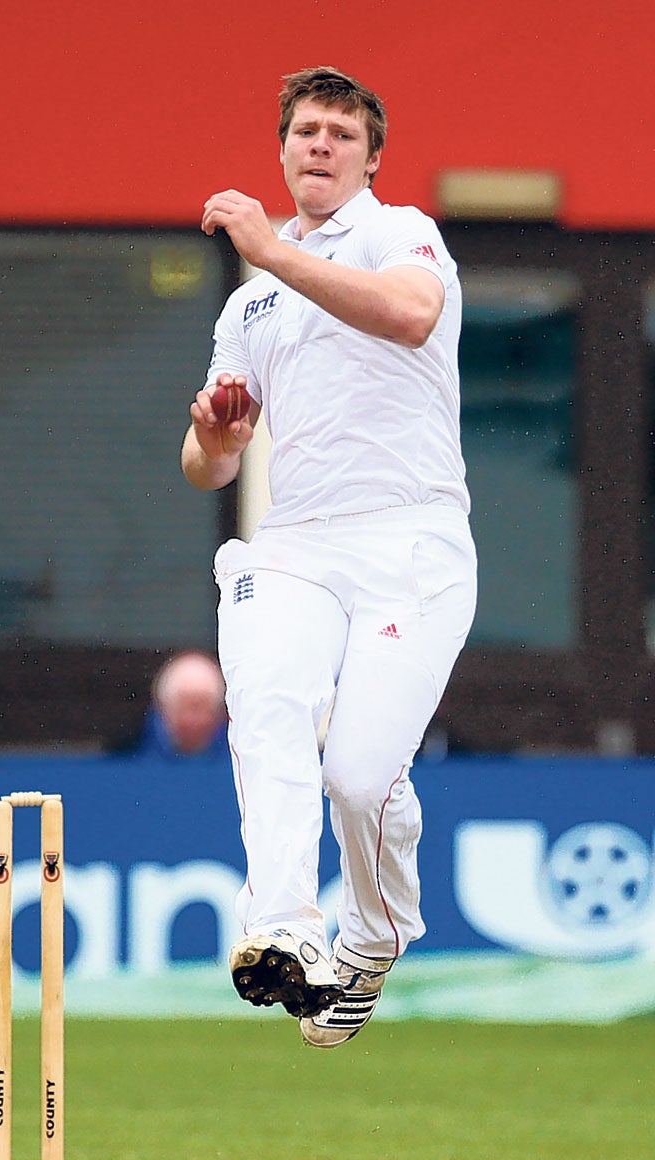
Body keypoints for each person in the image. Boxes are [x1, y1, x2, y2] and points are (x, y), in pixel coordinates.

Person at [181, 66, 477, 1047]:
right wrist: (218, 437)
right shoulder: (249, 312)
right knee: (266, 705)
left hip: (412, 536)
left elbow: (409, 315)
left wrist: (269, 247)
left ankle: (374, 937)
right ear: (281, 148)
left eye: (339, 135)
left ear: (370, 157)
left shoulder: (402, 233)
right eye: (304, 130)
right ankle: (282, 925)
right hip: (300, 538)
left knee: (357, 774)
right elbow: (206, 466)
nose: (318, 145)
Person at [125, 650, 227, 759]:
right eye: (186, 708)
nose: (193, 720)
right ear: (164, 709)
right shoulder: (129, 755)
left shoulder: (238, 759)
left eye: (201, 709)